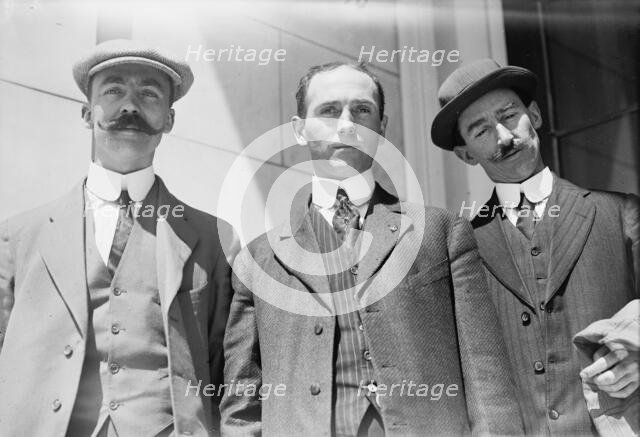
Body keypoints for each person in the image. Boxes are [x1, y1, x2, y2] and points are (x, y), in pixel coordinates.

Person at [221, 62, 523, 436]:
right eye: (329, 111)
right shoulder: (258, 261)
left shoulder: (440, 232)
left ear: (382, 128)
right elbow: (241, 404)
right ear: (299, 129)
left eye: (361, 110)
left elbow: (486, 372)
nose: (346, 124)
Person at [0, 39, 236, 436]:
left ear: (169, 119)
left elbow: (232, 370)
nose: (130, 107)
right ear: (86, 113)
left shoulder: (215, 239)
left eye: (149, 93)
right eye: (113, 91)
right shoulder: (18, 236)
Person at [431, 58, 640, 435]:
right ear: (465, 154)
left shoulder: (621, 213)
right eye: (480, 131)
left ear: (536, 116)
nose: (503, 136)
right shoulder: (460, 248)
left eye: (509, 116)